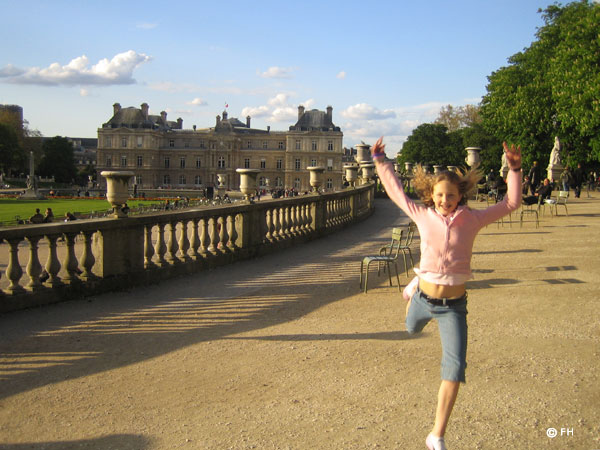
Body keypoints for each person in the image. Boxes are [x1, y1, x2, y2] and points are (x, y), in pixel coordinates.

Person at [371, 137, 522, 450]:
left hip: (453, 306)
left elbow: (511, 203)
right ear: (431, 195)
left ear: (460, 195)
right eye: (439, 195)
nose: (444, 200)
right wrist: (381, 162)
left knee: (454, 368)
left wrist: (514, 169)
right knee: (411, 328)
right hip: (424, 300)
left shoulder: (473, 219)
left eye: (450, 195)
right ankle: (415, 286)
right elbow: (396, 192)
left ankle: (436, 434)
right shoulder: (422, 215)